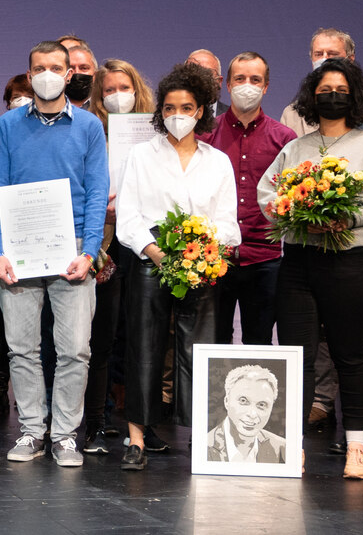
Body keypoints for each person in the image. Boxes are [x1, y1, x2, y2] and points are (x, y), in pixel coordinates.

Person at [256, 57, 363, 480]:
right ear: (311, 97)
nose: (332, 96)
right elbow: (268, 193)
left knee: (351, 356)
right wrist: (293, 211)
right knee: (296, 357)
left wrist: (350, 215)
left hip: (351, 262)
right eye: (324, 91)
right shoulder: (296, 148)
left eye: (340, 90)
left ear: (354, 97)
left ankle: (357, 447)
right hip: (300, 263)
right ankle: (293, 447)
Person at [113, 63, 241, 471]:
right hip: (151, 261)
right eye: (169, 107)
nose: (177, 115)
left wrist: (203, 252)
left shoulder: (217, 160)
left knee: (199, 350)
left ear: (202, 109)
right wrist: (156, 252)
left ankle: (203, 441)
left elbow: (228, 224)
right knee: (145, 348)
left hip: (203, 265)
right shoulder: (141, 155)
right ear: (160, 112)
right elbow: (129, 215)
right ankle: (136, 438)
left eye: (186, 107)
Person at [0, 40, 108, 468]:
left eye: (55, 67)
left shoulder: (90, 126)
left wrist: (90, 251)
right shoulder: (8, 125)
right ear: (30, 71)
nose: (47, 74)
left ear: (69, 73)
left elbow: (96, 194)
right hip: (18, 250)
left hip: (72, 249)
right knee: (22, 349)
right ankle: (33, 431)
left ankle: (65, 435)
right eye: (39, 67)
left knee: (75, 349)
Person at [82, 58, 157, 456]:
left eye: (123, 88)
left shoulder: (155, 136)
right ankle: (96, 420)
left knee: (142, 340)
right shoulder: (92, 134)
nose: (116, 96)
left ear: (137, 90)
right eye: (108, 90)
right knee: (102, 340)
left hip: (146, 247)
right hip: (107, 246)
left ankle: (143, 423)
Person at [200, 53, 295, 347]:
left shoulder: (284, 138)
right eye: (240, 79)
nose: (247, 85)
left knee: (259, 341)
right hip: (215, 258)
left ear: (266, 87)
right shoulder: (204, 134)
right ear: (227, 85)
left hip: (265, 259)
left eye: (255, 80)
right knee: (213, 343)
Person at [279, 28, 363, 136]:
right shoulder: (291, 114)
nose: (325, 59)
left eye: (332, 54)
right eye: (318, 54)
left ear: (350, 59)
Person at [206, 365, 288, 463]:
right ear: (226, 401)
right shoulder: (202, 447)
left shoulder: (283, 449)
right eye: (243, 401)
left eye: (262, 404)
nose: (252, 414)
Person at [63, 46, 98, 110]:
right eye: (71, 68)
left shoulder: (105, 109)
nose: (77, 72)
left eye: (84, 68)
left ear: (95, 75)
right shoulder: (49, 108)